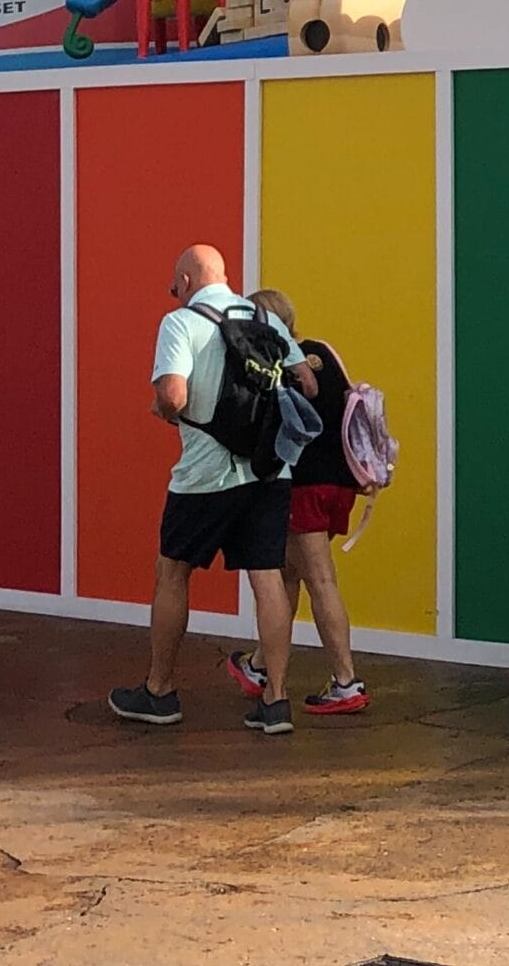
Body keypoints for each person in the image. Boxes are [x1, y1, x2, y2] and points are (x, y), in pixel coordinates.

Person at [108, 244, 308, 735]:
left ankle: (158, 692)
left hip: (203, 476)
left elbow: (172, 394)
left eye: (175, 284)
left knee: (173, 572)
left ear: (187, 279)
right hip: (267, 472)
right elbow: (307, 381)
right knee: (267, 578)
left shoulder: (180, 323)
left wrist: (166, 410)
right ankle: (276, 700)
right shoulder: (266, 318)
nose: (172, 293)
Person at [225, 290, 370, 717]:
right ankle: (259, 665)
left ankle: (346, 682)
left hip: (301, 486)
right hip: (339, 486)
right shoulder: (323, 352)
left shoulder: (273, 367)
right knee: (288, 576)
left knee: (319, 580)